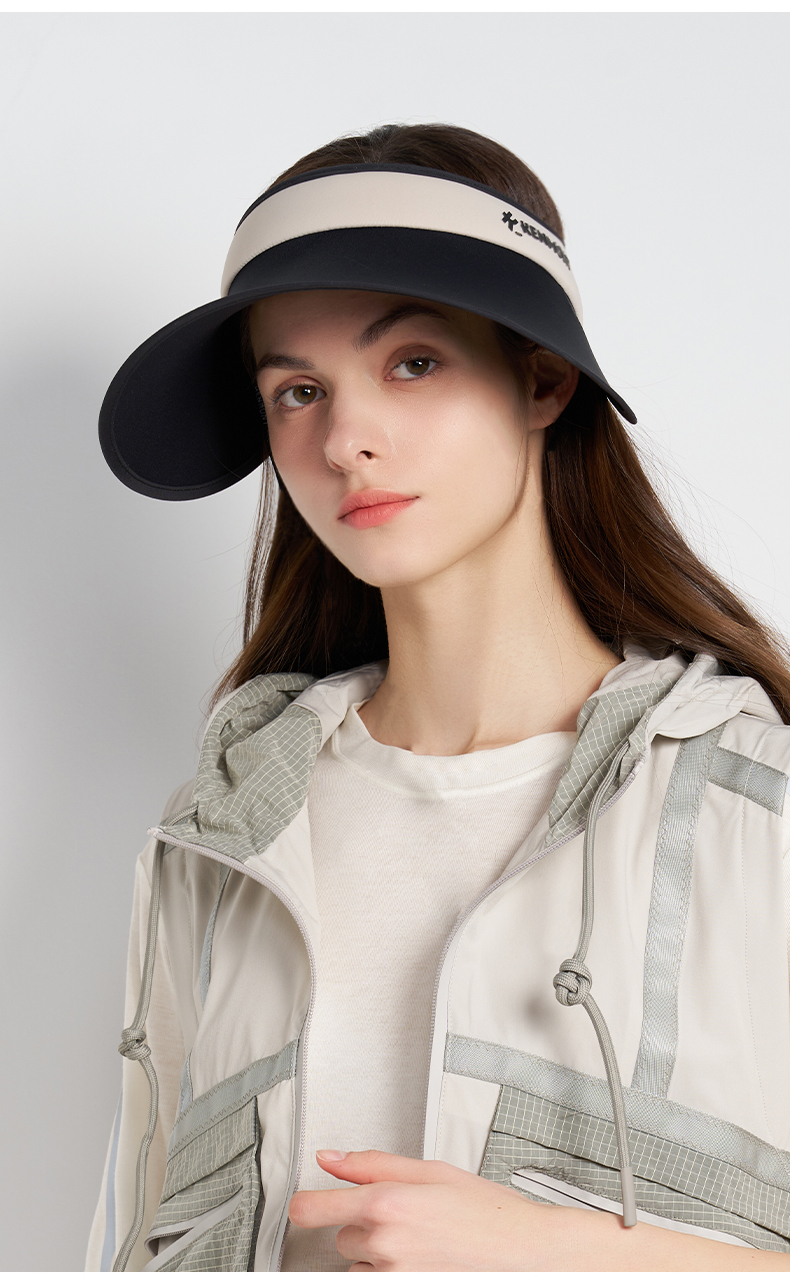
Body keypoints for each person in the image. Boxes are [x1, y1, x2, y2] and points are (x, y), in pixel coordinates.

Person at [86, 123, 790, 1272]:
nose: (345, 440)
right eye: (298, 390)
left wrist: (563, 1253)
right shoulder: (218, 839)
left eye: (412, 362)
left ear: (541, 378)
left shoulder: (757, 807)